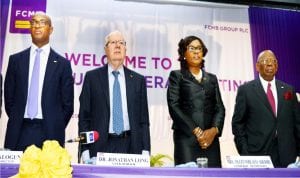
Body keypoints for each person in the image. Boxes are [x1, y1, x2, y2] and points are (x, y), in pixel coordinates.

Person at [4, 12, 74, 151]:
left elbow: (67, 105)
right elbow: (9, 99)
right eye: (33, 22)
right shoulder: (15, 60)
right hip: (19, 131)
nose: (37, 26)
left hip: (50, 134)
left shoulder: (62, 64)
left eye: (42, 22)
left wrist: (55, 124)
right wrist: (17, 119)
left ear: (51, 29)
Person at [79, 30, 150, 162]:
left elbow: (143, 120)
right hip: (100, 146)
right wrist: (85, 150)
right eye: (113, 42)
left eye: (121, 43)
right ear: (106, 49)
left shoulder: (138, 80)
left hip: (131, 146)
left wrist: (145, 150)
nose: (117, 46)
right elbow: (84, 117)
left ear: (125, 49)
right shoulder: (92, 78)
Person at [232, 50, 300, 167]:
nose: (269, 64)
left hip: (287, 155)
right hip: (257, 155)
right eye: (265, 61)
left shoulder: (288, 90)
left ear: (277, 66)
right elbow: (238, 124)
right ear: (257, 66)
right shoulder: (246, 90)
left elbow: (297, 123)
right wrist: (245, 153)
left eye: (273, 61)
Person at [167, 35, 225, 167]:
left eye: (199, 48)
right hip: (187, 139)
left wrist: (214, 131)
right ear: (184, 53)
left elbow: (220, 108)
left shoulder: (212, 78)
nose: (196, 52)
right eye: (191, 48)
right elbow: (174, 106)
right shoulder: (177, 76)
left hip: (211, 140)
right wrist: (197, 131)